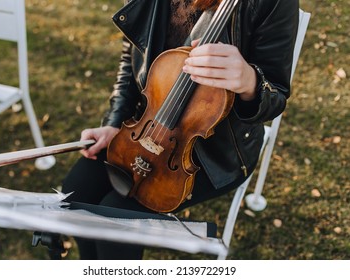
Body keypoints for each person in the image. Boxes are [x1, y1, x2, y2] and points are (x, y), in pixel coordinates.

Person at [62, 0, 299, 259]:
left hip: (215, 153)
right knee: (76, 193)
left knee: (116, 222)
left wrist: (248, 81)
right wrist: (113, 123)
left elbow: (276, 95)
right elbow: (133, 55)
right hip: (144, 129)